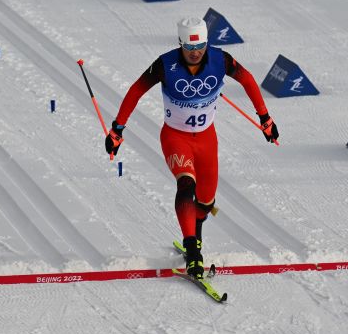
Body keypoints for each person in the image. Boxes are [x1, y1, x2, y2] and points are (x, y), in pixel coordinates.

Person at [105, 17, 278, 279]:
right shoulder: (165, 65)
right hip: (176, 138)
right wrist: (117, 130)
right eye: (189, 48)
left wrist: (265, 118)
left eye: (200, 47)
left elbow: (249, 80)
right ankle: (193, 251)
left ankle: (194, 237)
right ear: (180, 44)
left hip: (207, 140)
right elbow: (135, 91)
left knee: (206, 203)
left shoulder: (221, 60)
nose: (195, 53)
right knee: (186, 185)